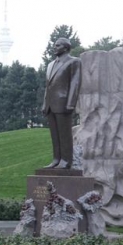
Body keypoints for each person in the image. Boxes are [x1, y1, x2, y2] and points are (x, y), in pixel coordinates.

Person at [42, 37, 82, 169]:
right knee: (55, 135)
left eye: (58, 45)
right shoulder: (50, 65)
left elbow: (75, 83)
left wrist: (71, 103)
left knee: (65, 134)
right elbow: (48, 86)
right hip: (50, 104)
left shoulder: (74, 62)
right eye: (55, 45)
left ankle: (66, 161)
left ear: (65, 48)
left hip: (63, 103)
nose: (54, 47)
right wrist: (45, 103)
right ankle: (56, 159)